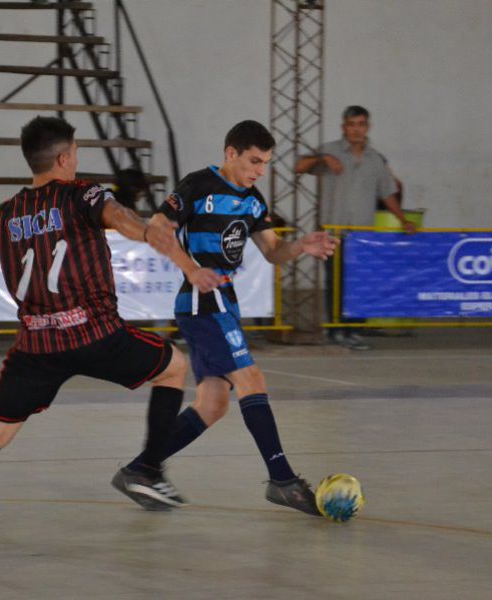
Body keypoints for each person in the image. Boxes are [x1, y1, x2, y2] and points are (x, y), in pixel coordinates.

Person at [0, 116, 191, 548]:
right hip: (95, 334)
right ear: (65, 158)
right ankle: (146, 469)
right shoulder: (81, 193)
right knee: (175, 368)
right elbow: (118, 215)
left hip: (37, 345)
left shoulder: (7, 213)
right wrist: (146, 231)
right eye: (75, 153)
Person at [113, 120, 339, 517]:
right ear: (230, 153)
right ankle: (283, 480)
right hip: (204, 299)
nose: (259, 171)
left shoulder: (253, 201)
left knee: (213, 403)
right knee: (251, 378)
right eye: (254, 160)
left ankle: (142, 469)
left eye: (266, 163)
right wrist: (190, 269)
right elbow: (157, 228)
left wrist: (301, 245)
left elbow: (272, 251)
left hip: (223, 299)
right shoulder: (199, 185)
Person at [295, 105, 416, 350]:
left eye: (361, 124)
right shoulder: (329, 151)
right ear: (344, 127)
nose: (356, 129)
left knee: (359, 282)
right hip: (333, 231)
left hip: (363, 235)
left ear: (367, 127)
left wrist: (403, 220)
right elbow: (299, 167)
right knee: (335, 281)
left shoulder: (375, 160)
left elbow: (388, 194)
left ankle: (354, 330)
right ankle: (337, 329)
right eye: (351, 124)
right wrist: (322, 159)